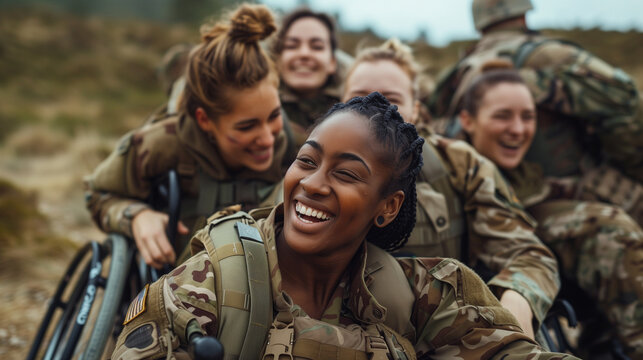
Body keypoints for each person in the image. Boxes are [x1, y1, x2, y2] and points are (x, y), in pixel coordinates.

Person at [111, 92, 577, 359]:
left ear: (388, 207)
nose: (312, 184)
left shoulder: (424, 297)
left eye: (346, 173)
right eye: (307, 161)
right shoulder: (205, 289)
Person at [342, 39, 559, 341]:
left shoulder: (459, 164)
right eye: (359, 98)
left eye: (390, 99)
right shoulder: (310, 168)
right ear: (337, 107)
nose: (374, 111)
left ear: (416, 111)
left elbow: (529, 256)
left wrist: (513, 308)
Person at [84, 4, 293, 269]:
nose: (267, 139)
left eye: (274, 116)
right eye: (246, 127)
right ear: (204, 120)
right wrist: (137, 216)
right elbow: (98, 193)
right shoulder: (163, 144)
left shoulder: (296, 147)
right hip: (172, 282)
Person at [458, 68, 643, 358]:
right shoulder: (449, 173)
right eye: (502, 116)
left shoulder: (525, 175)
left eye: (527, 117)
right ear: (467, 120)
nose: (518, 129)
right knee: (612, 231)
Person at [428, 0, 643, 225]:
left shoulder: (458, 71)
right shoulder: (550, 55)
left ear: (479, 23)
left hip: (484, 201)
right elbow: (624, 97)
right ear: (524, 14)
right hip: (565, 194)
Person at [271, 7, 353, 136]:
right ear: (278, 59)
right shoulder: (258, 106)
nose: (304, 54)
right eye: (292, 46)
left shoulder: (355, 107)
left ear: (332, 62)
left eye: (317, 47)